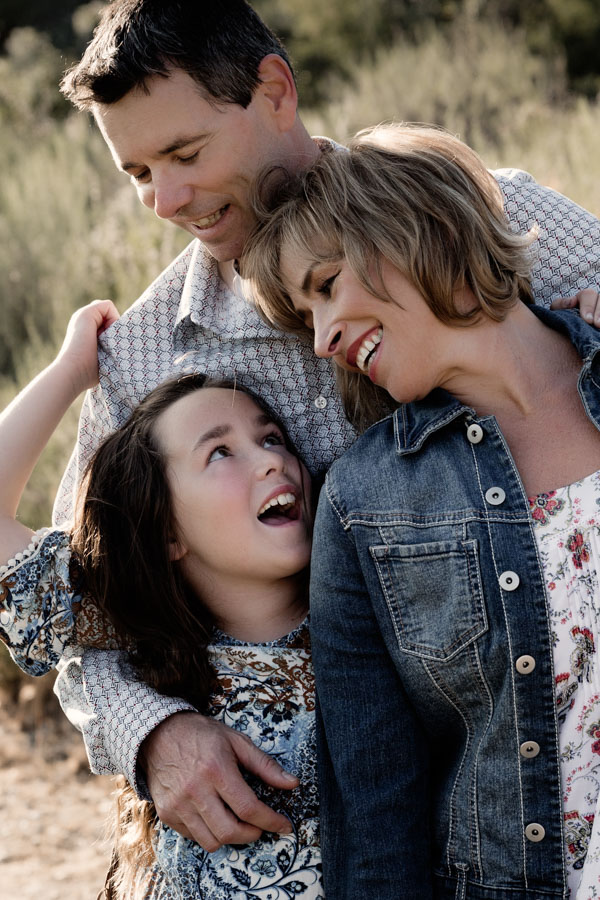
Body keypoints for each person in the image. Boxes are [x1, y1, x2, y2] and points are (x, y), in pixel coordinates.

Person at [4, 0, 600, 853]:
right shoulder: (141, 357)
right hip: (314, 821)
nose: (165, 200)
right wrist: (152, 733)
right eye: (137, 173)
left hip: (532, 765)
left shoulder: (473, 214)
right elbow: (89, 599)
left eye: (185, 154)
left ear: (276, 91)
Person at [240, 123, 600, 898]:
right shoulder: (364, 505)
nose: (323, 338)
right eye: (306, 318)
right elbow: (378, 817)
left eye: (326, 285)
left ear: (412, 226)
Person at [0, 299, 321, 898]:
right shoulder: (143, 645)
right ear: (168, 532)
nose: (271, 461)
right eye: (219, 452)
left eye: (272, 437)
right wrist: (71, 370)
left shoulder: (381, 622)